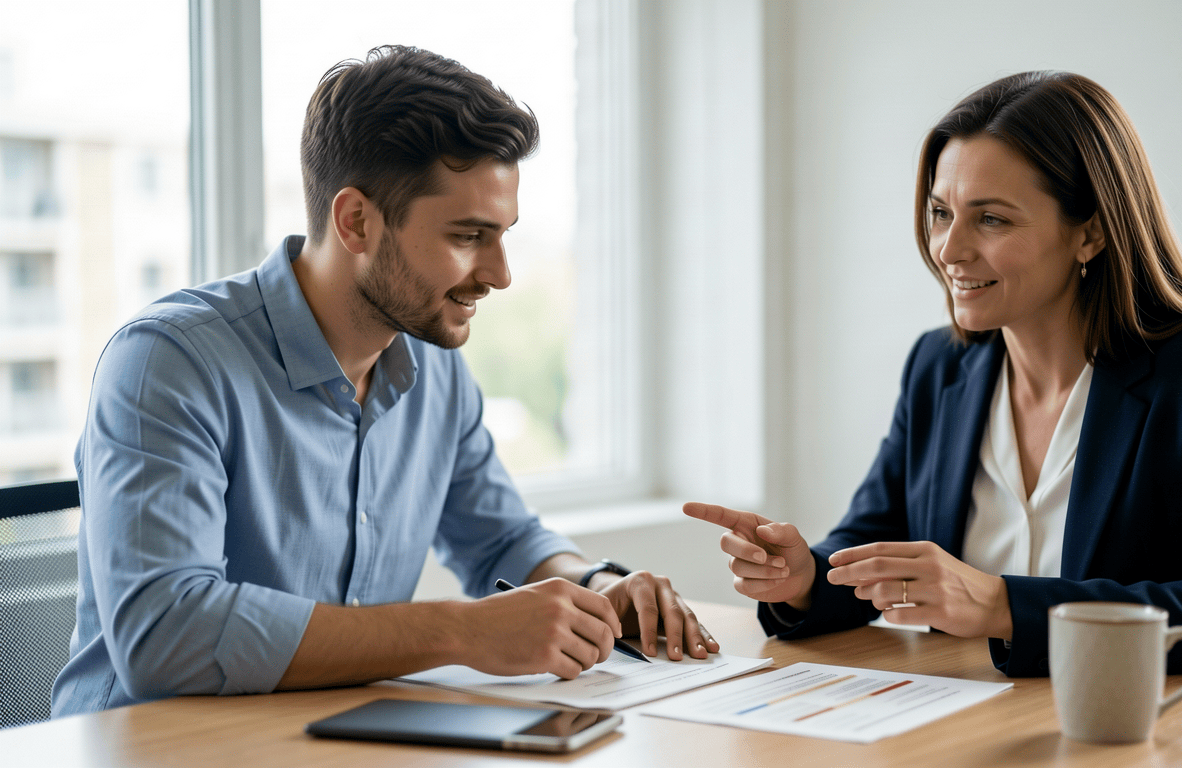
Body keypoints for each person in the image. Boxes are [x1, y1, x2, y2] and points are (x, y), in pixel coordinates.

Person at [51, 45, 719, 718]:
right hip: (152, 749)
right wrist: (463, 631)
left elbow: (502, 540)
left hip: (330, 739)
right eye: (468, 235)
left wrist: (597, 587)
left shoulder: (435, 370)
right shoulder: (170, 363)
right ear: (357, 221)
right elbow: (167, 635)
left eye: (504, 235)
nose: (501, 273)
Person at [685, 70, 1182, 677]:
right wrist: (806, 578)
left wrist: (1003, 605)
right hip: (971, 724)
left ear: (1091, 232)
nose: (949, 250)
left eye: (992, 219)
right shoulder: (939, 367)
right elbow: (874, 542)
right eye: (941, 213)